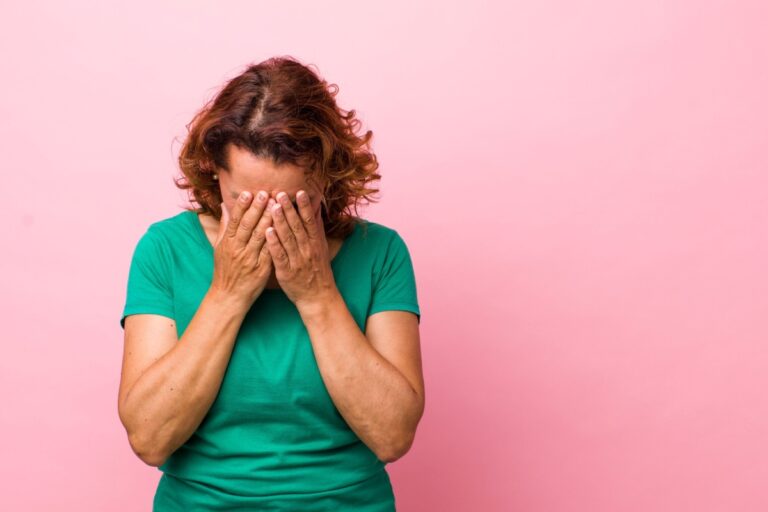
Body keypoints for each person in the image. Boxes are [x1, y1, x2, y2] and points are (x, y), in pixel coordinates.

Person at [117, 56, 424, 511]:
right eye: (245, 201)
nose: (267, 221)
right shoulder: (164, 250)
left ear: (325, 176)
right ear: (214, 172)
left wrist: (318, 295)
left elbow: (393, 436)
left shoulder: (380, 253)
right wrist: (227, 293)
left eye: (290, 203)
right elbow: (149, 438)